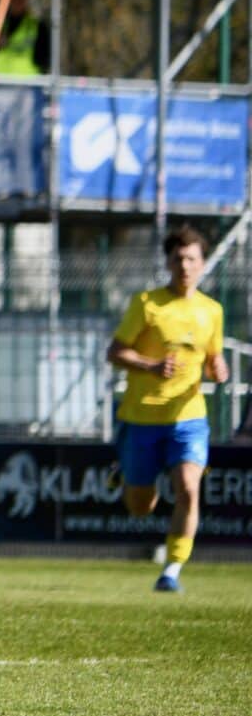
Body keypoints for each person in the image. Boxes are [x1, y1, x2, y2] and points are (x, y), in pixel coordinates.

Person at [106, 225, 225, 594]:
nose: (185, 266)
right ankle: (126, 473)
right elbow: (115, 352)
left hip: (188, 418)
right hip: (142, 418)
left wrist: (218, 368)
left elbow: (213, 357)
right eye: (178, 259)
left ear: (203, 264)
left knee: (189, 488)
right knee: (140, 506)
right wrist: (150, 365)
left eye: (191, 258)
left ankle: (171, 571)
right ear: (168, 263)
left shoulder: (212, 311)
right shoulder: (148, 304)